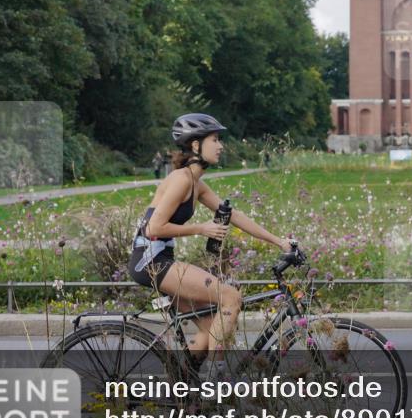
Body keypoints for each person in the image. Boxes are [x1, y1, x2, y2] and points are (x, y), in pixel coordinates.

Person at [127, 113, 296, 371]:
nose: (221, 146)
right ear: (196, 145)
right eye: (215, 139)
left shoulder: (197, 184)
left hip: (161, 260)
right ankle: (216, 380)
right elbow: (153, 228)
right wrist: (201, 228)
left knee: (209, 332)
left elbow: (234, 216)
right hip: (150, 261)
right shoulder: (181, 179)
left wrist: (279, 241)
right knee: (230, 296)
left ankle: (184, 390)